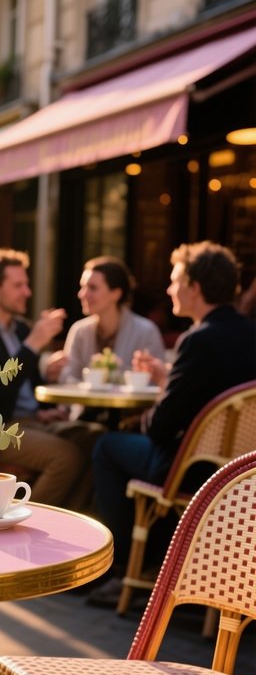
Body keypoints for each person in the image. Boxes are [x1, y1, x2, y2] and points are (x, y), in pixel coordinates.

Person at [90, 242, 256, 603]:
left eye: (175, 281)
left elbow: (161, 426)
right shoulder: (249, 334)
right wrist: (170, 378)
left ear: (195, 288)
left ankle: (123, 568)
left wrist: (141, 417)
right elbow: (220, 396)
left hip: (192, 472)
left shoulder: (198, 340)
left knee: (106, 446)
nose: (169, 290)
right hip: (242, 475)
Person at [0, 249, 104, 512]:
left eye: (26, 284)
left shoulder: (21, 328)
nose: (27, 292)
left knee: (96, 438)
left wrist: (48, 389)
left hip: (29, 422)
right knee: (66, 458)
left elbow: (27, 387)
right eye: (18, 285)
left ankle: (66, 518)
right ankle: (24, 521)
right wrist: (33, 346)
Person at [56, 257, 166, 384]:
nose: (82, 294)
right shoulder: (79, 330)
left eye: (93, 288)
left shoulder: (146, 332)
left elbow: (155, 383)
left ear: (116, 293)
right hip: (85, 403)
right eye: (83, 287)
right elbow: (67, 378)